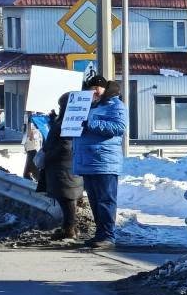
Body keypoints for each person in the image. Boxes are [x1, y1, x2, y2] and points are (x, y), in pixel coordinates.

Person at [70, 75, 127, 248]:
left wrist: (90, 123)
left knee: (106, 200)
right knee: (95, 201)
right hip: (87, 161)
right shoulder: (85, 106)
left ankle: (108, 236)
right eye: (91, 89)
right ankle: (100, 235)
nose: (94, 92)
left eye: (97, 88)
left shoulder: (115, 105)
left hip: (104, 161)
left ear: (105, 88)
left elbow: (119, 127)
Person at [38, 103, 84, 239]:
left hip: (64, 167)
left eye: (60, 106)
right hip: (62, 167)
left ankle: (69, 228)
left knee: (67, 198)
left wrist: (48, 156)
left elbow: (66, 145)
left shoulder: (69, 123)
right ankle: (69, 226)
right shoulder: (66, 121)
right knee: (65, 198)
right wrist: (53, 120)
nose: (59, 109)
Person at [20, 116, 43, 181]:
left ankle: (38, 180)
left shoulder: (34, 128)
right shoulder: (27, 126)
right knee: (29, 173)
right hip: (31, 150)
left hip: (33, 150)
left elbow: (31, 137)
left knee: (31, 172)